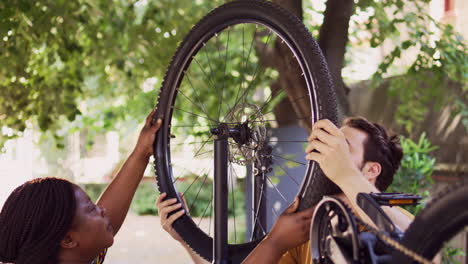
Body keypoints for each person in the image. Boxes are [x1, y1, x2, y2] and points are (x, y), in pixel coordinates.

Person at [157, 117, 413, 264]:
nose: (329, 148)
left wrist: (345, 174)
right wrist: (187, 239)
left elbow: (420, 246)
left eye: (343, 146)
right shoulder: (309, 231)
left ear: (371, 171)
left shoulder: (393, 222)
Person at [0, 110, 162, 264]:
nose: (103, 210)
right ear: (68, 240)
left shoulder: (77, 255)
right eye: (92, 209)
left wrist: (142, 152)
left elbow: (106, 220)